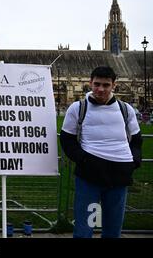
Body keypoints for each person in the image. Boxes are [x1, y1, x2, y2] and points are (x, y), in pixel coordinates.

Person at [60, 66, 143, 238]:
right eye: (97, 84)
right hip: (89, 177)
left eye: (106, 85)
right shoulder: (78, 108)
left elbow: (136, 140)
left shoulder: (125, 109)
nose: (100, 89)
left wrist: (134, 162)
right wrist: (84, 160)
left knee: (113, 230)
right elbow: (67, 139)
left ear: (114, 85)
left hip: (119, 177)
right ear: (90, 83)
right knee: (84, 229)